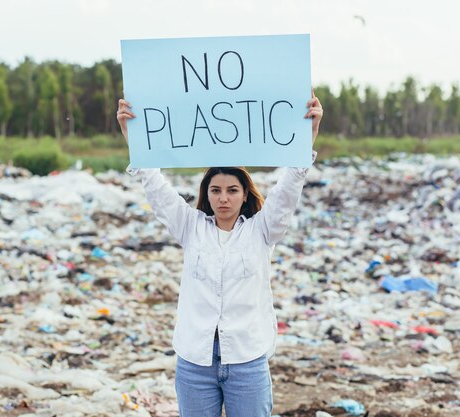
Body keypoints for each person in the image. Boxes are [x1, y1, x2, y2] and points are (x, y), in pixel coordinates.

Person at [117, 95, 323, 417]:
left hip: (247, 360)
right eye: (216, 190)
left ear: (244, 195)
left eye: (232, 190)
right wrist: (135, 136)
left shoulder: (262, 230)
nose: (223, 198)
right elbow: (156, 187)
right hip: (195, 362)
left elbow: (287, 190)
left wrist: (307, 133)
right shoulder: (190, 226)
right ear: (206, 193)